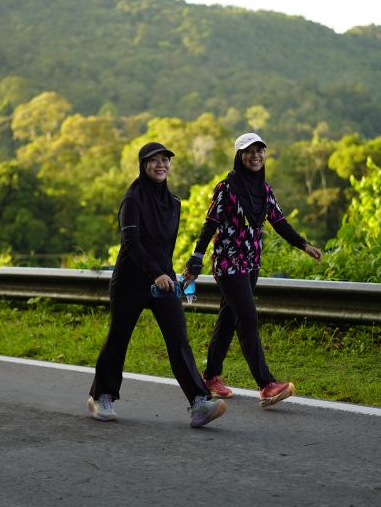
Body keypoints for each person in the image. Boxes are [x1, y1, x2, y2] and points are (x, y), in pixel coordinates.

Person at [88, 142, 226, 428]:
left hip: (163, 282)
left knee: (178, 340)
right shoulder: (132, 199)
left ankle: (199, 403)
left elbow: (165, 246)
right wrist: (155, 273)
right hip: (130, 282)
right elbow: (131, 242)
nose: (161, 165)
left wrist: (170, 275)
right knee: (118, 339)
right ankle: (101, 396)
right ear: (143, 165)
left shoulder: (174, 202)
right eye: (154, 160)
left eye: (165, 160)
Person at [183, 132, 322, 407]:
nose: (255, 156)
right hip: (228, 264)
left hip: (250, 264)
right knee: (247, 317)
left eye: (260, 151)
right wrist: (196, 260)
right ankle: (266, 384)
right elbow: (210, 224)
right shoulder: (226, 188)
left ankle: (210, 377)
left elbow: (279, 222)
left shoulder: (264, 190)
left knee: (228, 319)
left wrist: (304, 245)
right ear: (239, 155)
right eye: (249, 151)